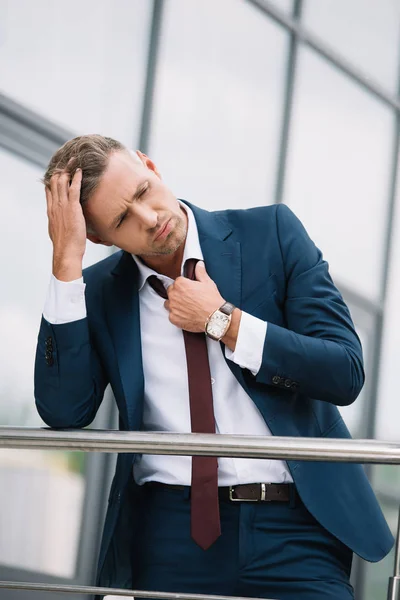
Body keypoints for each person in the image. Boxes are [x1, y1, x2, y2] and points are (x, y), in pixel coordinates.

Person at [35, 134, 393, 600]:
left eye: (143, 192)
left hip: (293, 532)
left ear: (150, 165)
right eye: (124, 219)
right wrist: (66, 263)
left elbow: (344, 371)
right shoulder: (99, 292)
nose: (151, 220)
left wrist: (225, 322)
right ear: (100, 236)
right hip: (167, 539)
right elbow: (64, 411)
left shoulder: (272, 234)